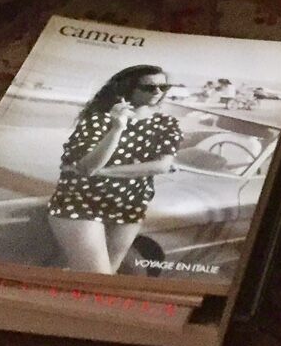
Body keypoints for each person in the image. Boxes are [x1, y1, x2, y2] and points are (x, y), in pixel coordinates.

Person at [46, 64, 183, 274]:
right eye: (149, 88)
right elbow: (88, 166)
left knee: (109, 274)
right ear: (128, 89)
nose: (158, 92)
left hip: (130, 203)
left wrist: (103, 172)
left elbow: (162, 165)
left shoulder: (166, 123)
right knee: (98, 276)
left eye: (163, 87)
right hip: (82, 201)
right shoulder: (99, 118)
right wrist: (117, 127)